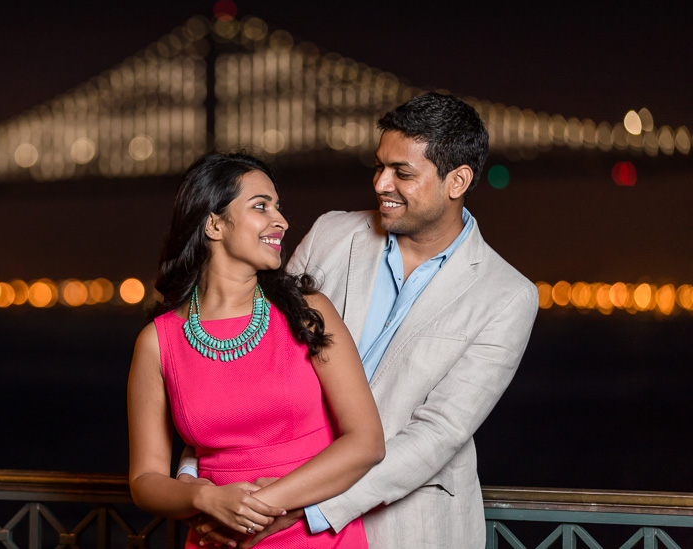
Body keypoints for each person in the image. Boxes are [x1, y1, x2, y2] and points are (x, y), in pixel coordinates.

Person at [193, 92, 539, 548]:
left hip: (407, 528)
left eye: (403, 172)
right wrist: (196, 480)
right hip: (268, 509)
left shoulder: (507, 295)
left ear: (457, 181)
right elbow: (248, 358)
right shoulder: (331, 234)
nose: (380, 184)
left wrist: (299, 507)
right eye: (379, 166)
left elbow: (438, 433)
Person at [127, 152, 385, 548]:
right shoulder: (157, 342)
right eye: (261, 206)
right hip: (215, 538)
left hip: (313, 537)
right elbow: (145, 481)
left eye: (278, 207)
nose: (280, 220)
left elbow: (366, 442)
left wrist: (253, 511)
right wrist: (205, 497)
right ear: (213, 223)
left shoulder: (307, 311)